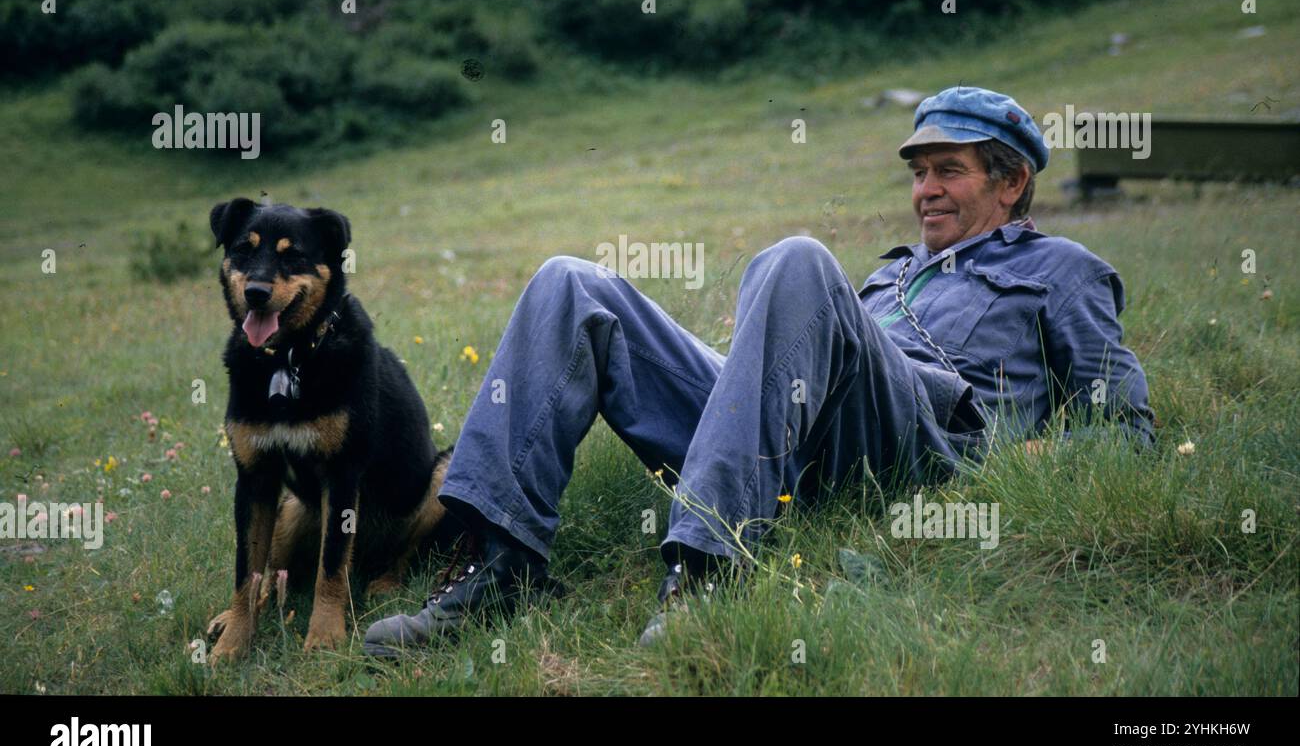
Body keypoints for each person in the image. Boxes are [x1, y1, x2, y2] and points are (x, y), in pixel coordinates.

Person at [363, 85, 1155, 656]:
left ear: (1011, 181)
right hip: (792, 435)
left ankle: (705, 574)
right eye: (918, 173)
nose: (924, 192)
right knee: (570, 281)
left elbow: (1126, 428)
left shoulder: (1065, 270)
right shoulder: (889, 275)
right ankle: (497, 565)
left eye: (947, 171)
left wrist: (1035, 458)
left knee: (798, 257)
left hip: (914, 445)